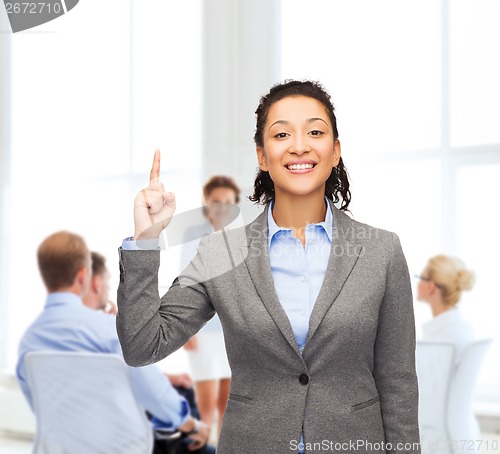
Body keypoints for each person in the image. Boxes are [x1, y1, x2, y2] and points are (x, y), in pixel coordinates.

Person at [117, 80, 421, 453]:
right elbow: (142, 345)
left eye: (315, 131)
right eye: (281, 134)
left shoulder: (381, 251)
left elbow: (398, 382)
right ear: (262, 156)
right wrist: (146, 238)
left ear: (335, 150)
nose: (298, 145)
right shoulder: (221, 252)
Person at [16, 231, 213, 454]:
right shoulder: (107, 331)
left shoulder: (29, 342)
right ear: (83, 277)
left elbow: (43, 407)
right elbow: (154, 393)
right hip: (123, 447)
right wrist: (191, 425)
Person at [182, 176, 240, 437]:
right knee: (204, 388)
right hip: (202, 326)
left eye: (228, 202)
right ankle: (205, 438)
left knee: (228, 393)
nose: (222, 207)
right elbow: (185, 279)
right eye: (217, 202)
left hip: (232, 327)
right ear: (207, 203)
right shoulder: (193, 235)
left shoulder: (241, 238)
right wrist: (187, 331)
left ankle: (224, 442)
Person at [416, 254, 475, 364]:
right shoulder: (463, 328)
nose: (418, 283)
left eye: (421, 277)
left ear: (430, 287)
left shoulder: (443, 342)